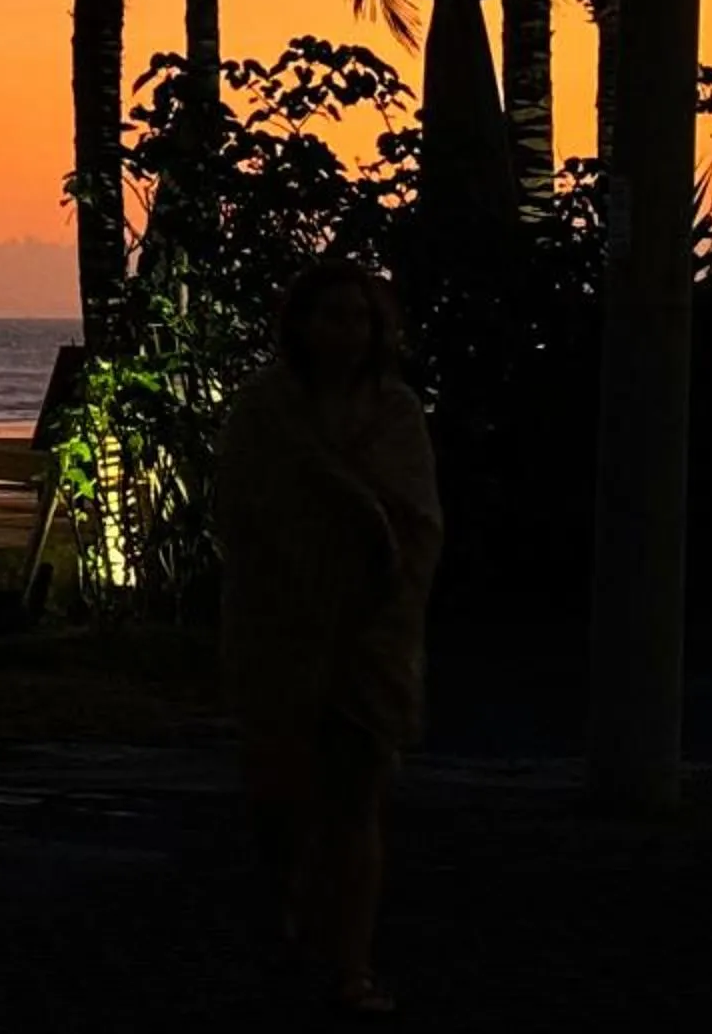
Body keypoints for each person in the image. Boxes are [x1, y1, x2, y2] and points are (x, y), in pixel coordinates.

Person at [212, 259, 442, 1018]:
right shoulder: (265, 410)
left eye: (359, 318)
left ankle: (353, 968)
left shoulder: (396, 413)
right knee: (278, 795)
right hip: (279, 630)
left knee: (357, 801)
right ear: (302, 325)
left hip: (371, 634)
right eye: (331, 316)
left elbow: (418, 520)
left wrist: (372, 553)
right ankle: (292, 910)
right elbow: (242, 509)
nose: (345, 331)